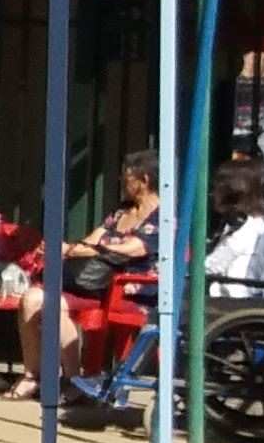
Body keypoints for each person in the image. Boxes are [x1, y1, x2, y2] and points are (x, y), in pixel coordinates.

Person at [14, 153, 163, 397]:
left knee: (51, 305)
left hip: (129, 290)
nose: (121, 181)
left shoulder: (162, 217)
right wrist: (68, 249)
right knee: (31, 299)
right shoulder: (121, 211)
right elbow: (91, 241)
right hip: (95, 284)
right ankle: (33, 375)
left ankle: (73, 381)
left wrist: (82, 249)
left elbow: (134, 249)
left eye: (126, 176)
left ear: (144, 180)